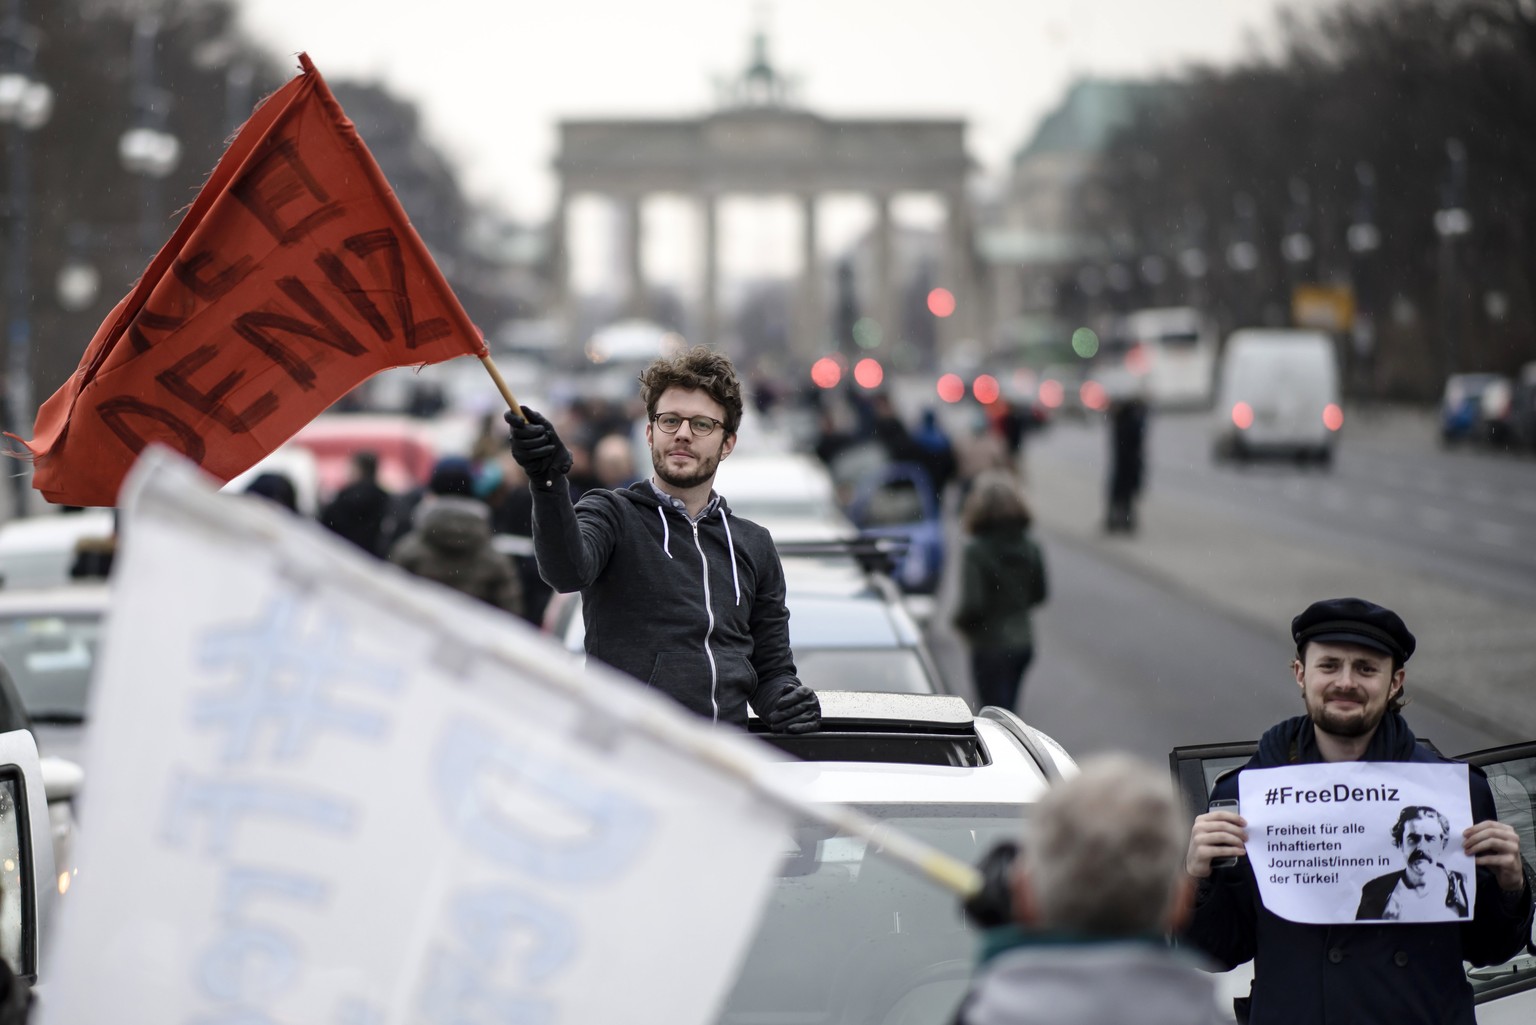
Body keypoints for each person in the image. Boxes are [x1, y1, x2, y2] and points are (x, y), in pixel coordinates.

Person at [1181, 597, 1533, 1025]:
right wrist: (1197, 880)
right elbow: (1219, 953)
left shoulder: (1455, 794)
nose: (1345, 682)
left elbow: (1490, 950)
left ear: (1395, 682)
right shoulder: (1245, 795)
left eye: (1366, 668)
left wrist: (1511, 885)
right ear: (1300, 673)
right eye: (1329, 665)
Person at [506, 345, 819, 733]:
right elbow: (566, 572)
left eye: (702, 424)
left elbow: (770, 671)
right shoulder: (611, 513)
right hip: (635, 766)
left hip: (724, 769)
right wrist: (548, 481)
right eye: (670, 421)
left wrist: (787, 701)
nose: (683, 434)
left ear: (728, 443)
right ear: (651, 433)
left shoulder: (754, 544)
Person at [953, 754, 1231, 1025]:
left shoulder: (986, 1011)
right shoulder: (1205, 1012)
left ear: (1022, 893)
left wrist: (998, 953)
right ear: (1181, 901)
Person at [951, 471, 1047, 712]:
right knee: (1009, 714)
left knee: (992, 716)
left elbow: (974, 604)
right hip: (1023, 642)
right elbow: (1040, 594)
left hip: (990, 643)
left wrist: (959, 623)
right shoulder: (1031, 546)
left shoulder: (976, 551)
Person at [387, 459, 523, 618]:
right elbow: (511, 619)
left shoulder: (407, 551)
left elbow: (389, 609)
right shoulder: (496, 561)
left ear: (432, 492)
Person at [1356, 805, 1470, 921]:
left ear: (1442, 844)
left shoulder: (1465, 885)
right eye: (1413, 839)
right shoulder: (1375, 891)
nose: (1421, 847)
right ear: (1400, 844)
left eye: (1430, 839)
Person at [319, 450, 392, 556]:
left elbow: (328, 523)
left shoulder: (347, 497)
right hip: (371, 559)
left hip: (344, 554)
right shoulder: (384, 498)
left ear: (358, 469)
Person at [1104, 392, 1148, 533]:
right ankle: (1122, 521)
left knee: (1122, 495)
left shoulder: (1124, 421)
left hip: (1125, 466)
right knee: (1124, 496)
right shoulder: (1131, 421)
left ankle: (1121, 521)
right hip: (1128, 465)